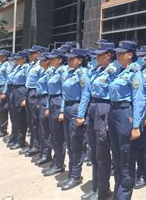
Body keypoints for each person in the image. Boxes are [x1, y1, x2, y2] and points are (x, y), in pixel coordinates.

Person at [78, 42, 118, 200]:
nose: (96, 57)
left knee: (102, 154)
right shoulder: (96, 71)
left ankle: (103, 190)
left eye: (99, 54)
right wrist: (81, 114)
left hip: (104, 111)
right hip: (93, 110)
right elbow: (86, 94)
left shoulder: (113, 71)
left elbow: (115, 98)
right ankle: (96, 187)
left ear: (108, 55)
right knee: (93, 153)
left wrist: (110, 120)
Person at [109, 40, 145, 200]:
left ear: (130, 55)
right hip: (114, 113)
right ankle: (118, 193)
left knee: (126, 160)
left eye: (121, 53)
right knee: (116, 158)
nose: (117, 55)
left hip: (126, 114)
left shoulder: (135, 73)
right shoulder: (118, 71)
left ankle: (123, 196)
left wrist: (136, 125)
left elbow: (138, 101)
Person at [58, 48, 89, 191]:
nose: (69, 61)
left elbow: (85, 96)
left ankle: (76, 176)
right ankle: (71, 172)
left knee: (76, 144)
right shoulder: (70, 73)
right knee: (69, 143)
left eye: (72, 59)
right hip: (68, 108)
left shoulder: (82, 75)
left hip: (76, 109)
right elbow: (64, 94)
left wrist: (81, 115)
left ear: (80, 61)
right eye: (68, 59)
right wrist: (63, 110)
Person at [43, 48, 68, 177]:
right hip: (52, 101)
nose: (50, 61)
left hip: (58, 103)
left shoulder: (63, 72)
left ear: (59, 60)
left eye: (53, 59)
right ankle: (55, 161)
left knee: (58, 137)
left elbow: (65, 93)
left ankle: (59, 164)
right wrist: (47, 106)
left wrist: (62, 110)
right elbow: (49, 91)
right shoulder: (53, 71)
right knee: (53, 135)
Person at [133, 45, 146, 190]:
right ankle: (140, 172)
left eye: (143, 55)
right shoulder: (139, 70)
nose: (141, 58)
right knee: (139, 146)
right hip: (138, 108)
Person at [23, 45, 47, 157]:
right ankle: (33, 144)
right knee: (30, 121)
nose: (30, 56)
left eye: (32, 54)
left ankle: (37, 146)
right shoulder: (32, 65)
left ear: (38, 54)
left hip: (35, 94)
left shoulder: (41, 67)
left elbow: (42, 84)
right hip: (29, 92)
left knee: (36, 121)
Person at [5, 51, 30, 150]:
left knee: (20, 117)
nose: (16, 60)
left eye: (18, 58)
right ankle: (15, 136)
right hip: (13, 90)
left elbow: (29, 83)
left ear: (24, 59)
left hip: (21, 91)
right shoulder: (17, 67)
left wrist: (25, 98)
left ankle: (20, 140)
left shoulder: (26, 68)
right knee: (13, 115)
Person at [35, 52, 53, 166]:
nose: (40, 62)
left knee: (46, 130)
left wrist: (47, 106)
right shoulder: (43, 71)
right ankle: (42, 151)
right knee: (41, 128)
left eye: (42, 60)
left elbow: (50, 92)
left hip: (46, 100)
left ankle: (47, 154)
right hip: (39, 99)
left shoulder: (50, 73)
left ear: (47, 61)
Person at [0, 49, 12, 139]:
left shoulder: (7, 66)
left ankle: (3, 130)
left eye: (0, 56)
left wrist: (4, 92)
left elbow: (8, 80)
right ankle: (0, 128)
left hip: (3, 89)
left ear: (5, 57)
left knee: (2, 110)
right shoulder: (1, 64)